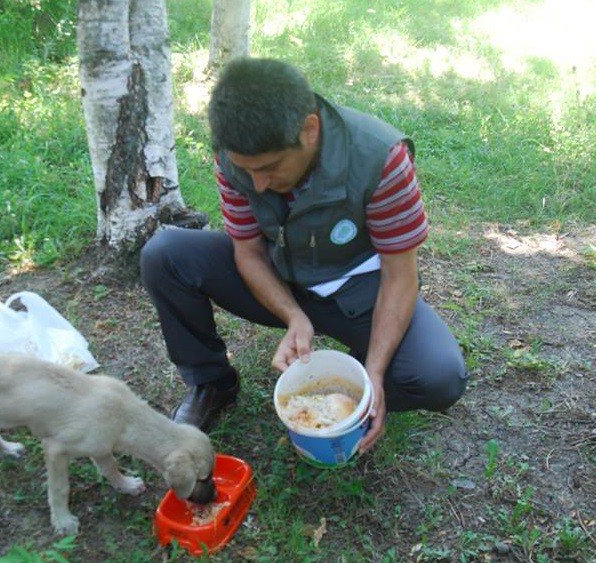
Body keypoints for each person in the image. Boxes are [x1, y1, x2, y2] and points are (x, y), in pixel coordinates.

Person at [141, 58, 467, 452]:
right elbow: (248, 251)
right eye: (247, 171)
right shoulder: (235, 156)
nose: (257, 184)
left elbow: (400, 275)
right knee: (166, 254)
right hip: (283, 278)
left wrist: (375, 373)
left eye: (269, 167)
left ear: (309, 129)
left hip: (360, 290)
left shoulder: (380, 158)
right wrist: (292, 315)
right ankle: (211, 383)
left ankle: (362, 380)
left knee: (439, 376)